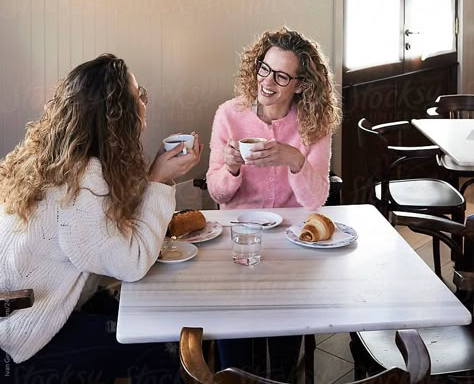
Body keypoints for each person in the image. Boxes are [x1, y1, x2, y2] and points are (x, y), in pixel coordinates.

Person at [0, 53, 202, 383]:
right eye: (138, 96)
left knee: (150, 316)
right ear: (115, 116)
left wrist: (155, 175)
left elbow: (106, 229)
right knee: (160, 345)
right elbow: (132, 262)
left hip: (25, 315)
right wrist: (158, 182)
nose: (144, 104)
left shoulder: (57, 158)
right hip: (26, 337)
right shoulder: (79, 181)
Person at [206, 27, 341, 383]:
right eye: (264, 69)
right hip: (236, 238)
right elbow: (217, 193)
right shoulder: (229, 115)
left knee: (282, 349)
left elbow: (315, 200)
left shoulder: (315, 124)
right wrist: (232, 167)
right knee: (234, 348)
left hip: (291, 243)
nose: (268, 82)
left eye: (282, 76)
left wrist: (294, 158)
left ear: (300, 84)